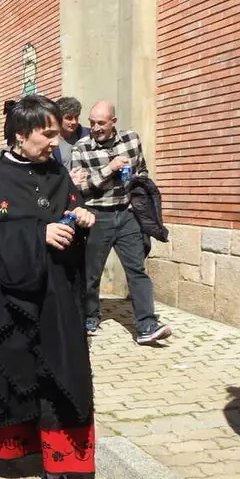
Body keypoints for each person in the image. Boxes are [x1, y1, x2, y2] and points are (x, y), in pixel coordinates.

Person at [0, 94, 97, 479]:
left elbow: (68, 208)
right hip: (3, 302)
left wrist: (81, 216)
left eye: (57, 132)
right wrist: (37, 234)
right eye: (47, 133)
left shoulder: (56, 171)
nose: (56, 140)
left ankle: (60, 472)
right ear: (20, 135)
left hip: (54, 298)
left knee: (57, 377)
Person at [69, 101, 173, 345]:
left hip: (127, 216)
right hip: (96, 215)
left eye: (101, 123)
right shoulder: (81, 148)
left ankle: (146, 325)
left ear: (113, 122)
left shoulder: (132, 139)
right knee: (91, 273)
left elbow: (143, 171)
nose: (95, 128)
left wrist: (138, 194)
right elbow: (79, 188)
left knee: (137, 270)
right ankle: (89, 316)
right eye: (92, 123)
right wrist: (110, 168)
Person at [53, 96, 90, 170]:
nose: (74, 122)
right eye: (69, 118)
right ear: (58, 118)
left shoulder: (88, 135)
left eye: (76, 117)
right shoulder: (51, 142)